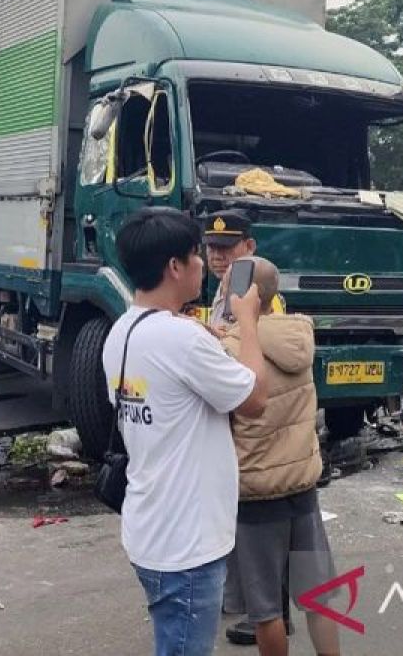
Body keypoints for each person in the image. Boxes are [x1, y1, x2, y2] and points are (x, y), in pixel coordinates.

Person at [102, 207, 268, 656]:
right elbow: (253, 400)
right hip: (187, 543)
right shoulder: (182, 340)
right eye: (196, 255)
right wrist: (248, 322)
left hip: (149, 526)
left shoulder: (123, 330)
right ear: (174, 266)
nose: (204, 264)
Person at [221, 257, 340, 656]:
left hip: (256, 492)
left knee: (266, 609)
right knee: (317, 594)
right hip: (302, 486)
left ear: (242, 296)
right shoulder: (299, 332)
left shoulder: (231, 347)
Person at [201, 210, 289, 641]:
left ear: (250, 248)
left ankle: (270, 611)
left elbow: (265, 346)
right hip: (239, 415)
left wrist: (217, 339)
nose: (218, 256)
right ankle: (250, 601)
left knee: (264, 521)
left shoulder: (261, 290)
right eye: (213, 248)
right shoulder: (224, 289)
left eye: (228, 247)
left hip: (261, 422)